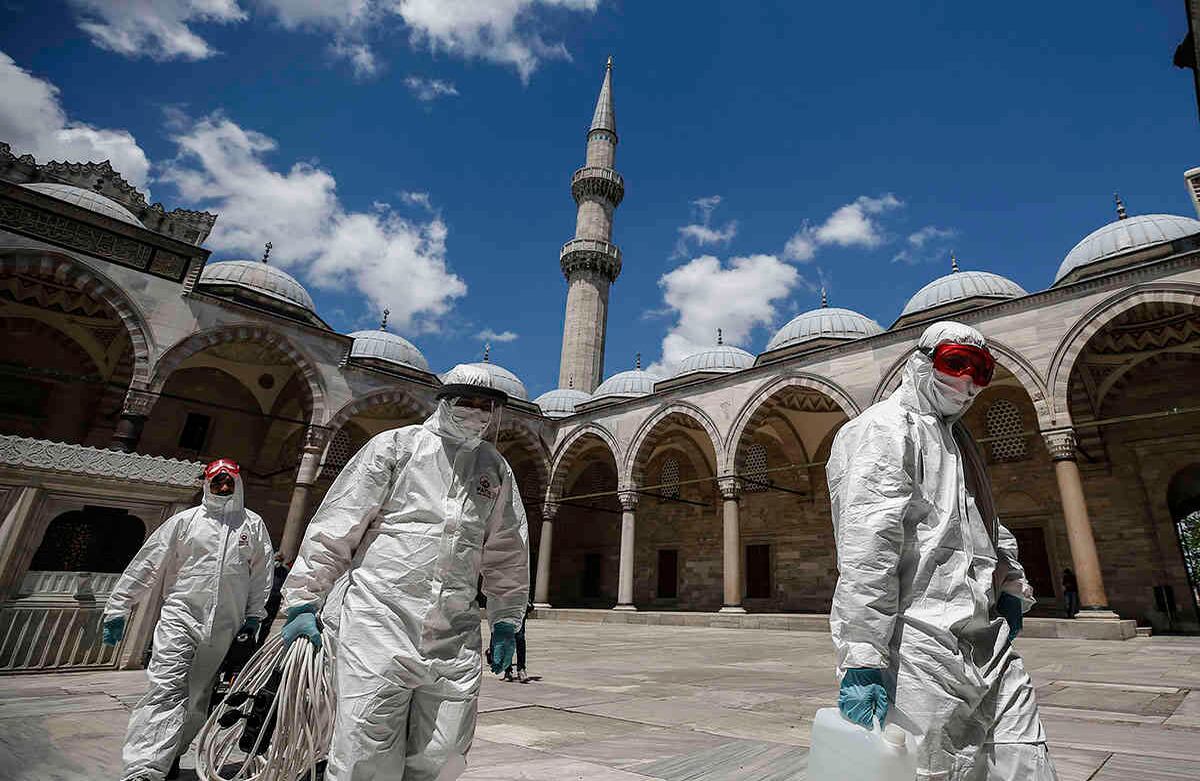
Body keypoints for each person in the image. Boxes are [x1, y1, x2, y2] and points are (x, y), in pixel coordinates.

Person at [827, 321, 1058, 780]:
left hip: (988, 638)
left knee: (1024, 758)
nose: (967, 383)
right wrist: (863, 656)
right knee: (935, 769)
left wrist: (1012, 586)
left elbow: (985, 520)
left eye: (981, 372)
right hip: (921, 644)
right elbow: (868, 550)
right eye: (956, 365)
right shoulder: (881, 429)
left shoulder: (957, 440)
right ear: (922, 362)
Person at [280, 364, 530, 780]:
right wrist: (304, 599)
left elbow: (507, 549)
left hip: (454, 632)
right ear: (445, 401)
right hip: (378, 622)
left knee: (446, 751)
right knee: (365, 749)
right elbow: (338, 525)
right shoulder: (397, 446)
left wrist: (506, 619)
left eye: (486, 405)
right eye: (467, 402)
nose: (477, 411)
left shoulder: (494, 467)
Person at [102, 458, 273, 781]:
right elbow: (148, 563)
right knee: (166, 689)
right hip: (180, 617)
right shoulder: (185, 522)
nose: (223, 486)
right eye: (217, 481)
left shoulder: (251, 525)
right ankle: (144, 769)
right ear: (207, 484)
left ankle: (170, 755)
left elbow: (261, 575)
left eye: (229, 481)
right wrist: (119, 607)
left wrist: (254, 616)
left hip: (225, 625)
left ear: (238, 483)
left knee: (197, 697)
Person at [257, 551, 289, 646]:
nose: (277, 562)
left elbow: (286, 585)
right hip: (265, 599)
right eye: (276, 559)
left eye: (280, 560)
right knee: (259, 620)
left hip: (275, 600)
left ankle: (260, 643)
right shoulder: (268, 570)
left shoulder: (284, 571)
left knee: (268, 623)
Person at [504, 602, 535, 683]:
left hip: (519, 607)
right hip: (505, 607)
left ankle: (521, 669)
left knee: (520, 638)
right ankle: (507, 670)